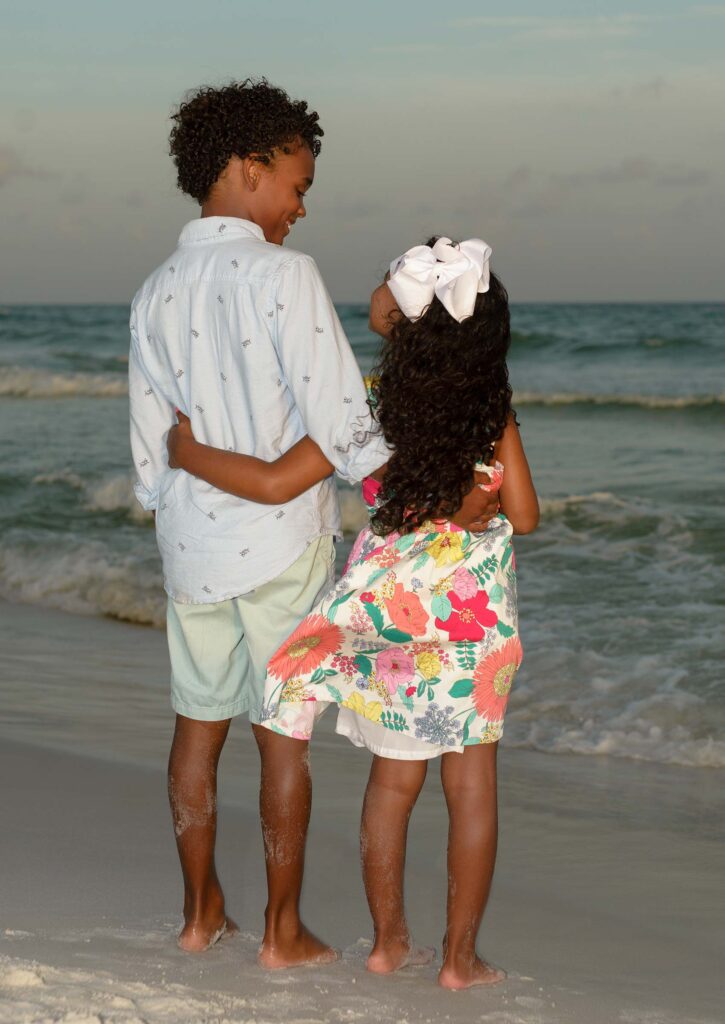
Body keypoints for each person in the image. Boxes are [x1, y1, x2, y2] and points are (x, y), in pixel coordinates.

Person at [130, 79, 498, 966]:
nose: (299, 206)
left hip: (188, 545)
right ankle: (282, 930)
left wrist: (166, 492)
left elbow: (151, 443)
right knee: (280, 736)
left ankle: (197, 913)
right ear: (249, 168)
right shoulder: (284, 274)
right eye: (296, 184)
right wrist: (423, 500)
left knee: (196, 726)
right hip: (278, 546)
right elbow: (344, 421)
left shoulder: (156, 287)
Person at [167, 235, 539, 988]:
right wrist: (483, 498)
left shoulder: (369, 406)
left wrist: (186, 451)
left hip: (395, 627)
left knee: (391, 785)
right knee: (472, 792)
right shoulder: (493, 412)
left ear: (408, 315)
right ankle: (460, 959)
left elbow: (282, 480)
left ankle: (387, 941)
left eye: (384, 284)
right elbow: (525, 518)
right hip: (475, 632)